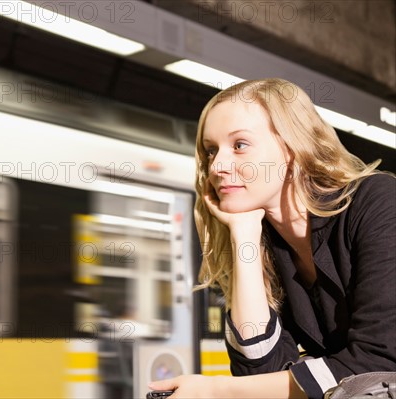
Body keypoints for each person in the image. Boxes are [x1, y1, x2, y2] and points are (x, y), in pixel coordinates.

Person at [149, 78, 396, 398]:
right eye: (211, 151)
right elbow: (261, 372)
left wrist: (216, 391)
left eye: (239, 145)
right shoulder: (268, 245)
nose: (217, 166)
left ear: (293, 148)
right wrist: (244, 234)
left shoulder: (378, 203)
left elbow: (378, 363)